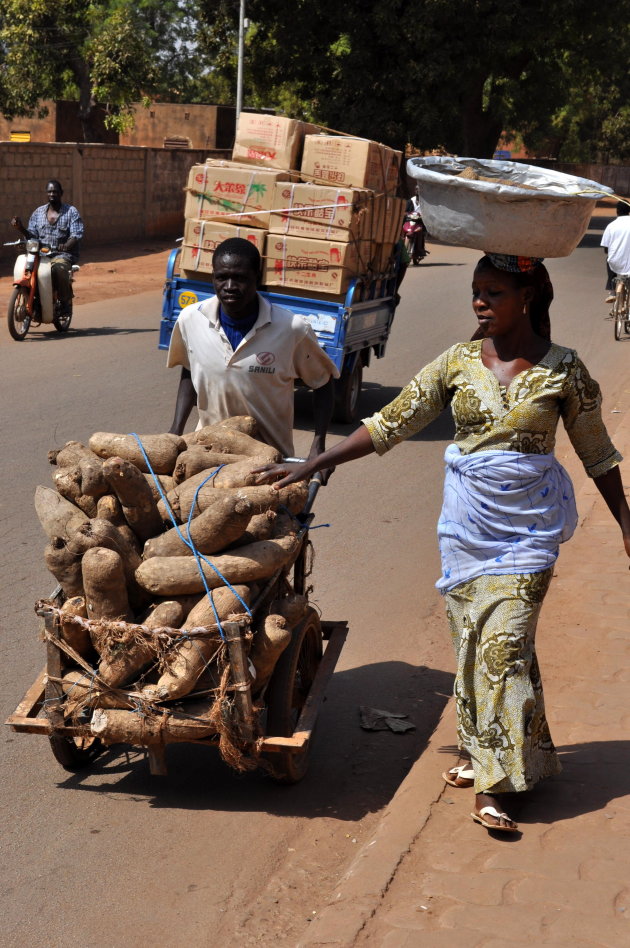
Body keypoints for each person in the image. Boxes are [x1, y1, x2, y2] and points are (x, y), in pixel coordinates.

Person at [254, 253, 630, 833]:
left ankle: (495, 786)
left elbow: (598, 453)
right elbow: (391, 423)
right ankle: (491, 747)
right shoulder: (456, 362)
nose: (479, 302)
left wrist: (627, 524)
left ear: (526, 297)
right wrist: (318, 462)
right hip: (467, 531)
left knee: (504, 644)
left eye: (493, 292)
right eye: (475, 291)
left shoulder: (565, 371)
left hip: (529, 535)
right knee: (473, 642)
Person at [167, 237, 339, 460]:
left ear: (257, 278)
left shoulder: (292, 329)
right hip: (207, 454)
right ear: (213, 277)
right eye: (221, 277)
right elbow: (190, 371)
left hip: (268, 459)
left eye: (239, 278)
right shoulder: (191, 319)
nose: (229, 287)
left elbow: (323, 383)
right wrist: (175, 431)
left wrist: (319, 446)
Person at [11, 179, 84, 314]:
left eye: (55, 191)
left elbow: (76, 234)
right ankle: (34, 300)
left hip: (61, 255)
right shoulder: (38, 212)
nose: (52, 194)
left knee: (58, 269)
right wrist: (20, 228)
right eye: (49, 191)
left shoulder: (71, 212)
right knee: (27, 269)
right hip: (41, 254)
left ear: (61, 193)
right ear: (46, 194)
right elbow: (32, 234)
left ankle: (64, 302)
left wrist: (66, 245)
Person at [601, 201, 630, 304]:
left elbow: (606, 249)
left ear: (617, 211)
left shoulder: (611, 226)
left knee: (609, 258)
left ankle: (612, 291)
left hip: (615, 262)